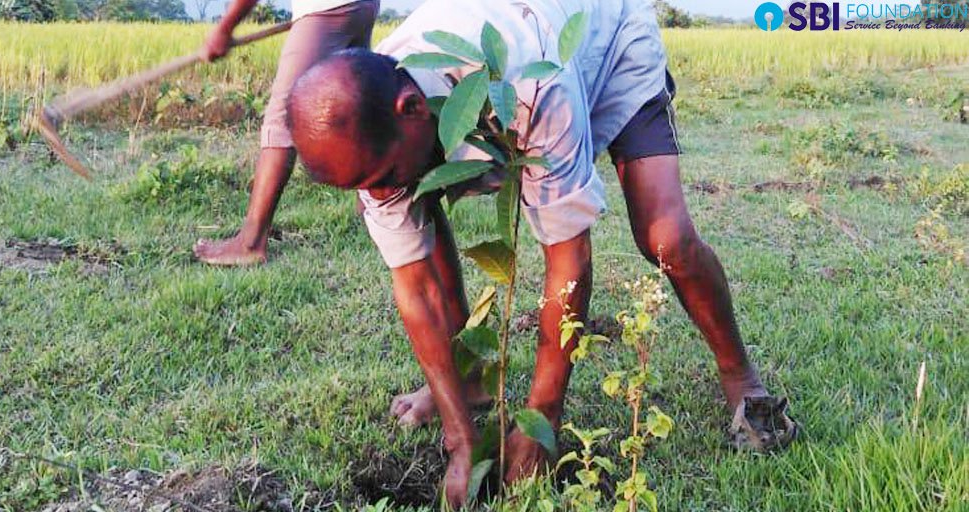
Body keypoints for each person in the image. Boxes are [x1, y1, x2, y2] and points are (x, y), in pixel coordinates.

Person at [284, 0, 797, 505]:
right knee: (413, 193)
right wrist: (461, 442)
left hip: (606, 40)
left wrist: (543, 421)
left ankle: (741, 379)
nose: (378, 194)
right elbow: (415, 285)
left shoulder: (529, 83)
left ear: (413, 109)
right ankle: (469, 382)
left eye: (382, 178)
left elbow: (567, 258)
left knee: (666, 238)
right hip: (500, 90)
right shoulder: (368, 118)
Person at [192, 0, 380, 266]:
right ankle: (374, 213)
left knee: (282, 119)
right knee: (353, 110)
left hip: (326, 7)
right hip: (360, 6)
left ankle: (250, 243)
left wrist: (224, 28)